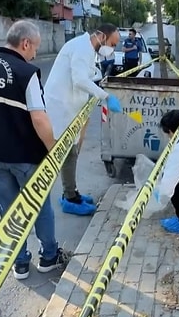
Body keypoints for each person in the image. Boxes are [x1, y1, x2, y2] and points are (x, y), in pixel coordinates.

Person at [0, 20, 67, 280]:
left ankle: (19, 263)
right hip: (26, 157)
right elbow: (39, 118)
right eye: (34, 49)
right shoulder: (26, 72)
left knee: (8, 210)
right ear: (25, 43)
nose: (34, 54)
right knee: (39, 206)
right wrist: (53, 149)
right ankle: (49, 256)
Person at [43, 23, 123, 216]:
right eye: (112, 44)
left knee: (73, 150)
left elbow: (87, 77)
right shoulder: (81, 48)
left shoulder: (88, 50)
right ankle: (70, 198)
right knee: (69, 152)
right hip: (61, 106)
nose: (112, 49)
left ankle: (72, 192)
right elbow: (79, 79)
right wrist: (105, 97)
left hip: (71, 106)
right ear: (102, 37)